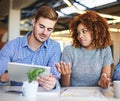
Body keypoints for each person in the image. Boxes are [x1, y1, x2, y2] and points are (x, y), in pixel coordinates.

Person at [0, 6, 61, 90]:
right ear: (34, 22)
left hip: (42, 96)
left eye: (49, 29)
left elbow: (55, 78)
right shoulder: (12, 46)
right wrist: (3, 78)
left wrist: (53, 84)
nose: (44, 32)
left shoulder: (54, 47)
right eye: (41, 26)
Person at [55, 10, 113, 88]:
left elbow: (106, 80)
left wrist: (104, 82)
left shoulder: (105, 50)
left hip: (96, 96)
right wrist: (66, 75)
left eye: (84, 31)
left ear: (96, 31)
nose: (80, 36)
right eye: (78, 33)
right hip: (73, 96)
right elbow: (64, 87)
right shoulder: (69, 50)